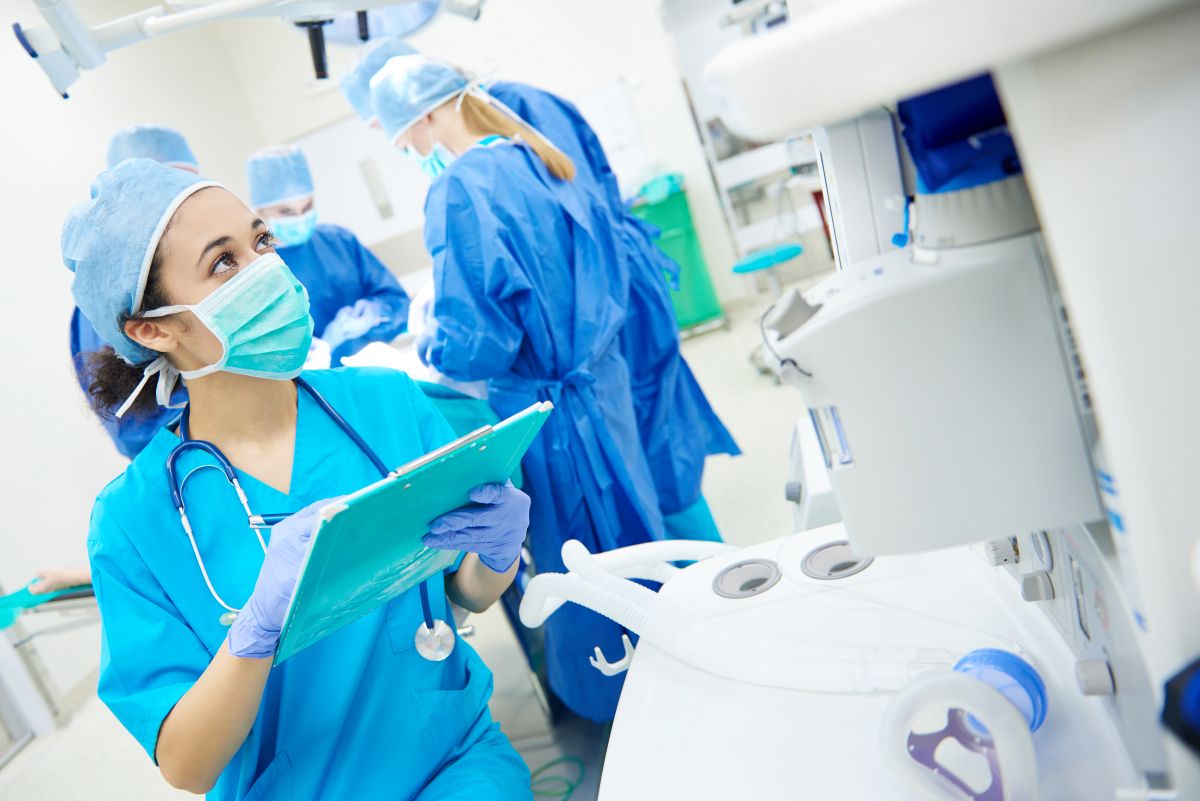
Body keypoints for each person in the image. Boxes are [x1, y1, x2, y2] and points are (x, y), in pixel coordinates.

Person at [63, 158, 533, 800]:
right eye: (223, 263)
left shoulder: (388, 405)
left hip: (454, 761)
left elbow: (470, 593)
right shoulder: (133, 520)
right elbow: (186, 765)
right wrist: (254, 633)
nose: (268, 271)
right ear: (153, 329)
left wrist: (498, 550)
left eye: (261, 241)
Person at [370, 55, 664, 722]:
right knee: (638, 541)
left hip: (555, 419)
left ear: (426, 117)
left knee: (587, 565)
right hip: (602, 388)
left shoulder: (461, 189)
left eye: (404, 136)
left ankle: (631, 708)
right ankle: (673, 667)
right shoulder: (540, 156)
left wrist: (426, 339)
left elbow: (478, 340)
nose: (410, 149)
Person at [483, 81, 740, 541]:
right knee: (653, 462)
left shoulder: (517, 116)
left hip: (625, 326)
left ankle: (708, 575)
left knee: (660, 463)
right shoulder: (581, 224)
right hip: (618, 311)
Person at [69, 124, 197, 460]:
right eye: (171, 192)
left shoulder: (199, 266)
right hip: (193, 463)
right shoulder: (104, 302)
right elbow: (131, 425)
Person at [246, 145, 411, 365]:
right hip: (313, 391)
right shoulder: (255, 268)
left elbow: (398, 303)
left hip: (373, 371)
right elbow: (265, 355)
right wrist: (323, 346)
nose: (300, 217)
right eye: (287, 212)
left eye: (307, 206)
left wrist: (376, 312)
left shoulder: (338, 241)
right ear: (261, 211)